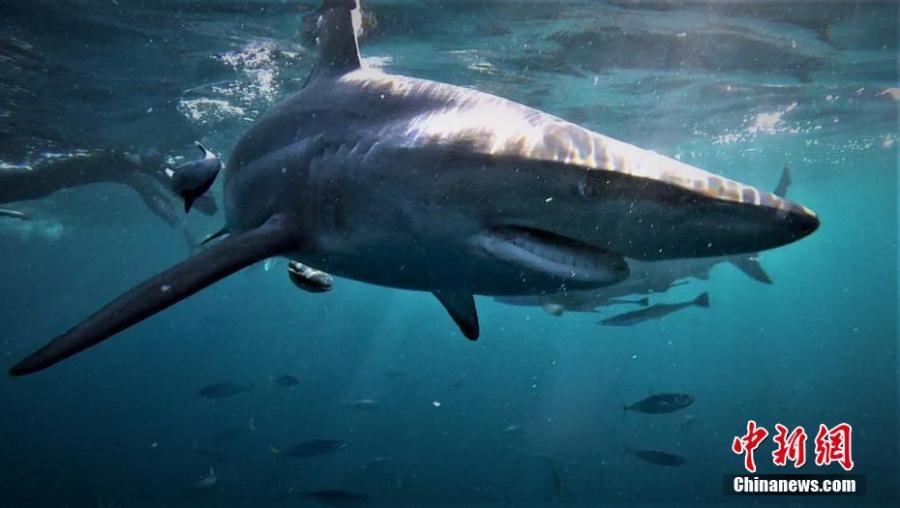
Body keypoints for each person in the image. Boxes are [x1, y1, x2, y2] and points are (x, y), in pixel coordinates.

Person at [0, 148, 217, 247]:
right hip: (44, 181)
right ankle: (153, 167)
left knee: (133, 168)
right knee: (134, 174)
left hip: (43, 180)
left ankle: (151, 164)